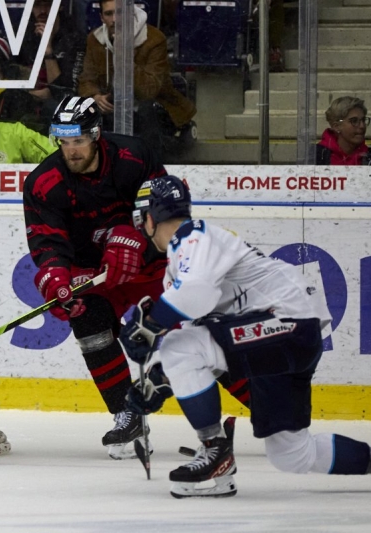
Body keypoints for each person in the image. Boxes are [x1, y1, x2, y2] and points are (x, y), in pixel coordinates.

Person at [119, 175, 371, 498]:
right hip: (280, 337)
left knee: (178, 347)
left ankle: (215, 450)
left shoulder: (194, 237)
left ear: (150, 217)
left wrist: (150, 325)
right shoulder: (179, 267)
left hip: (288, 321)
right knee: (291, 454)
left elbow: (197, 297)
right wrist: (157, 382)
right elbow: (200, 335)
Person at [22, 95, 167, 459]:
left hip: (149, 265)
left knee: (197, 328)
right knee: (85, 315)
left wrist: (136, 241)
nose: (71, 151)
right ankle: (126, 414)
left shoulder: (135, 158)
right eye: (64, 142)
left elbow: (165, 216)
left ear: (96, 134)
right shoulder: (44, 182)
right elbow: (47, 239)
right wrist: (55, 274)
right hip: (96, 274)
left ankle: (267, 406)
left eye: (79, 141)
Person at [77, 1, 196, 155]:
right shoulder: (94, 39)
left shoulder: (154, 39)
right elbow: (86, 79)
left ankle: (150, 168)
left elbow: (149, 90)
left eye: (120, 13)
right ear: (101, 17)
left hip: (156, 109)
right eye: (108, 14)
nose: (114, 19)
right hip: (113, 110)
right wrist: (95, 96)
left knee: (147, 109)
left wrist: (123, 54)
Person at [15, 0, 86, 132]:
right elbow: (14, 78)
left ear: (59, 6)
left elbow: (65, 92)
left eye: (47, 4)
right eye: (37, 5)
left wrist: (47, 50)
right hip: (28, 103)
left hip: (59, 108)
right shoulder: (22, 35)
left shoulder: (74, 38)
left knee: (52, 107)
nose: (42, 11)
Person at [316, 96, 369, 165]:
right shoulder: (317, 155)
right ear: (336, 126)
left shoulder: (368, 156)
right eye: (354, 121)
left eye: (363, 120)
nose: (362, 126)